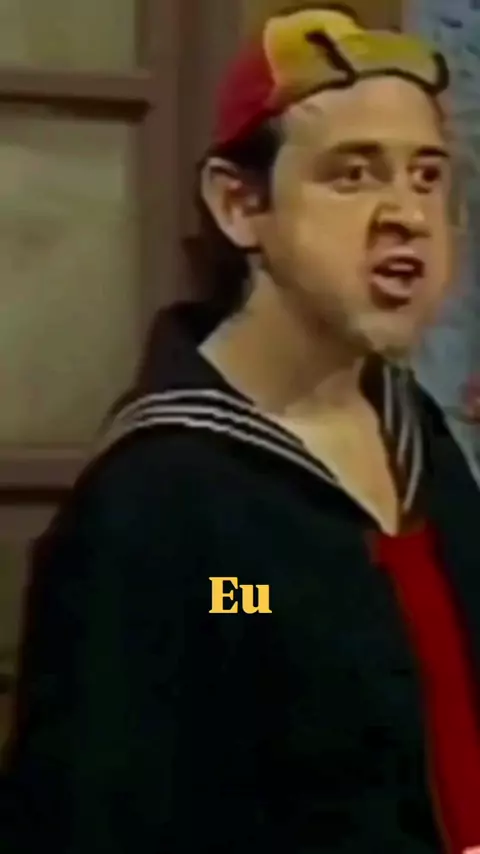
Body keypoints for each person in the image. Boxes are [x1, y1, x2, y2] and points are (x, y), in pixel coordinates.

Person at [3, 5, 480, 853]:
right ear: (239, 204)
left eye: (427, 176)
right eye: (353, 174)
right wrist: (256, 597)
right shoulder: (160, 503)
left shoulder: (419, 441)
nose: (406, 214)